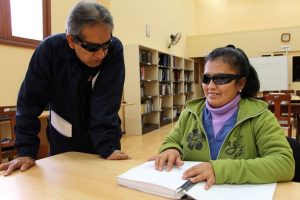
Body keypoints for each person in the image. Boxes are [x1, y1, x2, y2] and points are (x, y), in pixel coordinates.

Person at [0, 0, 129, 176]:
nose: (100, 54)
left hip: (106, 142)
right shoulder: (49, 51)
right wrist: (26, 152)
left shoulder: (114, 50)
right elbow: (29, 103)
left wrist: (107, 148)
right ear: (71, 40)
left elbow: (106, 103)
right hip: (64, 141)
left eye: (105, 45)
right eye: (92, 47)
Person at [154, 45, 295, 189]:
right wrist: (171, 149)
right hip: (191, 192)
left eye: (221, 78)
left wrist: (219, 170)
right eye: (206, 78)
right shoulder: (189, 113)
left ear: (240, 83)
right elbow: (172, 141)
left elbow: (284, 164)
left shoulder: (261, 117)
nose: (210, 86)